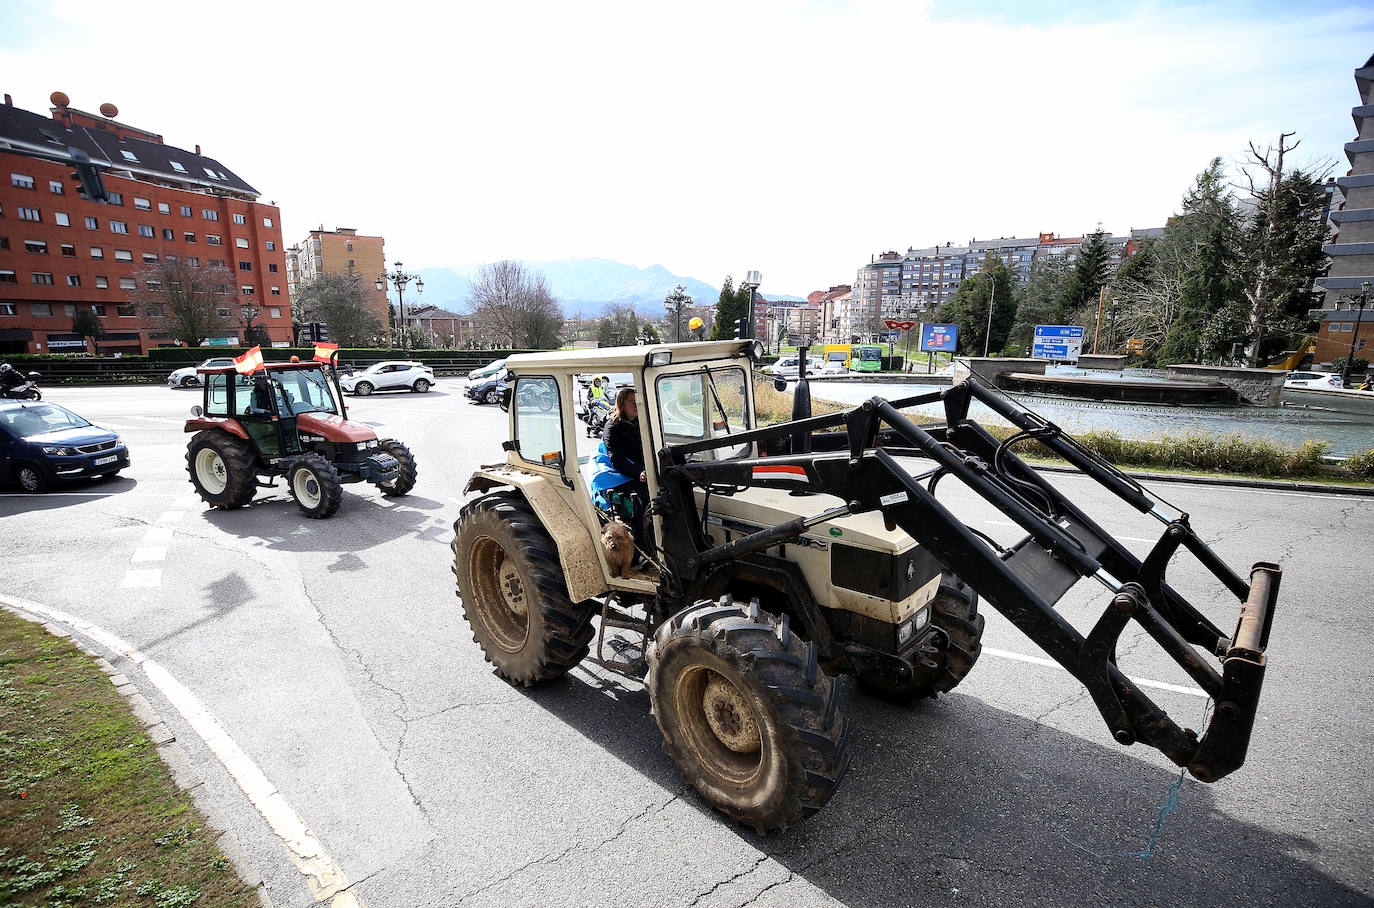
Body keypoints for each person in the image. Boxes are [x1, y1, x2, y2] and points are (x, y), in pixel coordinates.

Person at [602, 387, 649, 551]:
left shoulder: (642, 421)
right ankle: (642, 550)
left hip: (645, 471)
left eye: (638, 402)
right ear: (621, 404)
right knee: (644, 503)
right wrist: (638, 472)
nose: (636, 405)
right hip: (624, 475)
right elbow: (617, 459)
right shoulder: (613, 427)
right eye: (631, 402)